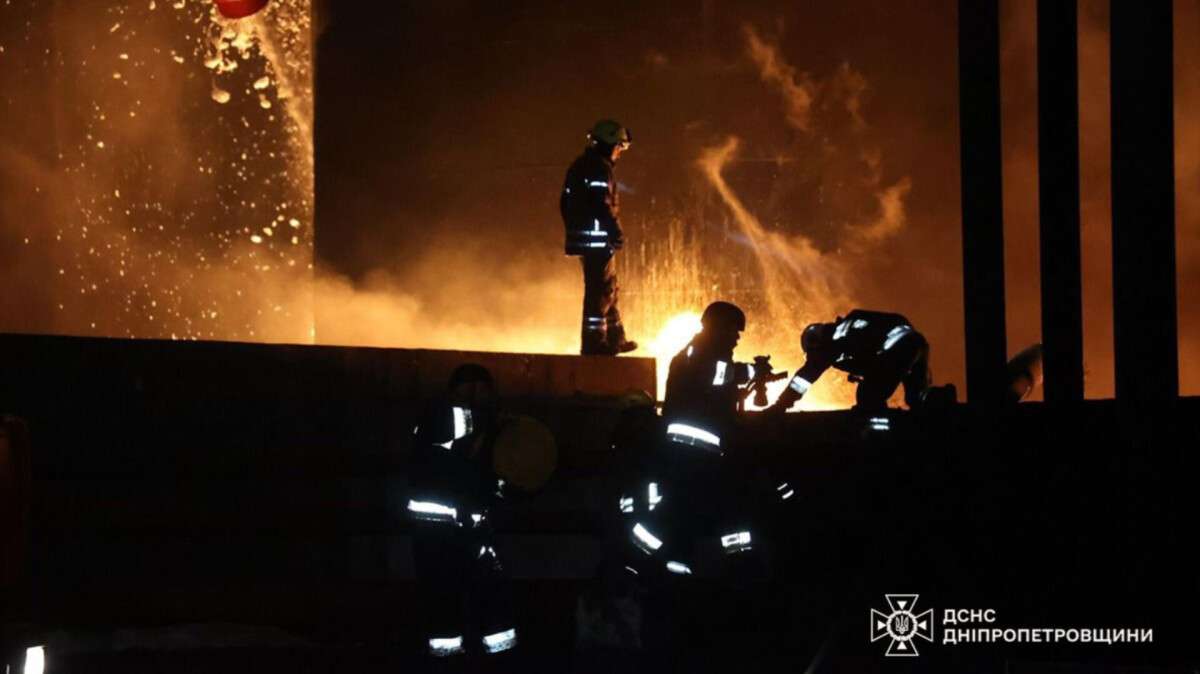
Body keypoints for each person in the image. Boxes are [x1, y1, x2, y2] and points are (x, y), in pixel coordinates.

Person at [407, 364, 517, 660]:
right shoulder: (442, 416)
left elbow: (486, 476)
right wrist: (496, 424)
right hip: (441, 533)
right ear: (467, 388)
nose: (488, 397)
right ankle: (453, 655)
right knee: (446, 601)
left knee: (483, 598)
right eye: (482, 389)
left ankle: (492, 654)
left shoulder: (474, 432)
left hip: (465, 530)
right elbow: (465, 430)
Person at [560, 119, 637, 356]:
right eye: (619, 147)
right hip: (596, 240)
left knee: (608, 288)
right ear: (610, 144)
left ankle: (615, 338)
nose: (619, 153)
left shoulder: (584, 165)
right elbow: (600, 203)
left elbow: (567, 204)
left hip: (587, 239)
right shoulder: (598, 168)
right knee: (599, 292)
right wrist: (614, 231)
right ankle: (594, 344)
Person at [771, 309, 938, 412]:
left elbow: (807, 375)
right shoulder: (849, 329)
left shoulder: (836, 338)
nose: (816, 358)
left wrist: (781, 404)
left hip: (898, 349)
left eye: (814, 354)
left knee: (868, 398)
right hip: (917, 344)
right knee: (918, 401)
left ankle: (878, 447)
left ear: (817, 344)